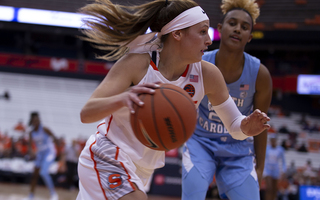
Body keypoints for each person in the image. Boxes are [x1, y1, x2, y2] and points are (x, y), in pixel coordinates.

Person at [76, 0, 270, 199]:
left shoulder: (208, 75)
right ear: (177, 34)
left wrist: (246, 126)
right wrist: (124, 98)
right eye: (202, 32)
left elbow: (235, 126)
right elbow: (86, 113)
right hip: (107, 154)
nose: (210, 40)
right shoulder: (138, 64)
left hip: (143, 170)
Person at [181, 0, 272, 199]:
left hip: (239, 150)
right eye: (233, 23)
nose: (238, 29)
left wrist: (260, 167)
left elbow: (261, 126)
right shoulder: (199, 63)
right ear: (220, 28)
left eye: (245, 27)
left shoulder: (260, 74)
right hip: (201, 142)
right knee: (193, 193)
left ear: (250, 36)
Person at [24, 112, 59, 200]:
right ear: (32, 122)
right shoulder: (31, 132)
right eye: (34, 120)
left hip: (49, 152)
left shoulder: (44, 129)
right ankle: (31, 196)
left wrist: (59, 151)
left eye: (37, 120)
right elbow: (29, 146)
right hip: (40, 154)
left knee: (43, 172)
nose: (36, 122)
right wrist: (31, 152)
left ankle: (53, 194)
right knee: (34, 174)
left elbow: (55, 137)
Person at [264, 134, 286, 200]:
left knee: (274, 189)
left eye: (274, 140)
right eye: (272, 140)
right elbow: (263, 159)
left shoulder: (280, 149)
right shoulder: (267, 148)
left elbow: (283, 161)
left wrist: (283, 170)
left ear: (276, 140)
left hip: (276, 170)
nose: (273, 141)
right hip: (268, 169)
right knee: (269, 188)